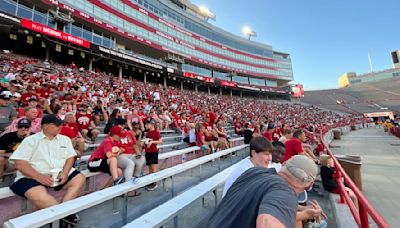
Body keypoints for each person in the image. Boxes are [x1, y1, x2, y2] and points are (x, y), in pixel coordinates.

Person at [9, 114, 85, 225]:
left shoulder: (65, 139)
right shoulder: (30, 140)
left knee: (79, 178)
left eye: (60, 125)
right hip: (32, 175)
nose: (60, 127)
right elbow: (20, 163)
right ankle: (64, 216)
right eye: (56, 125)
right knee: (37, 194)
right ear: (45, 126)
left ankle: (64, 211)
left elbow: (70, 157)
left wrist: (65, 173)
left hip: (57, 173)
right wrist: (40, 177)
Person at [207, 155, 318, 228]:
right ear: (307, 184)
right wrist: (303, 214)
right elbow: (267, 223)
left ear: (284, 165)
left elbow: (259, 198)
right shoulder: (286, 192)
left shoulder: (254, 171)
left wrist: (302, 210)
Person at [116, 119, 145, 197]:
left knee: (141, 159)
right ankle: (128, 190)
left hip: (131, 154)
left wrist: (138, 152)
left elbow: (135, 144)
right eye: (120, 125)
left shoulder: (129, 133)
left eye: (123, 125)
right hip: (120, 156)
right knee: (130, 163)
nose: (122, 127)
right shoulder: (114, 134)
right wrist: (119, 150)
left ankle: (135, 179)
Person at [144, 119, 163, 191]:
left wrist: (152, 142)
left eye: (147, 124)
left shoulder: (156, 132)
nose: (145, 126)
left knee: (153, 167)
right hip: (148, 151)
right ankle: (151, 181)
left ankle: (154, 182)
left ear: (151, 125)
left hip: (153, 151)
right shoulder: (148, 133)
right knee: (150, 167)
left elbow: (160, 141)